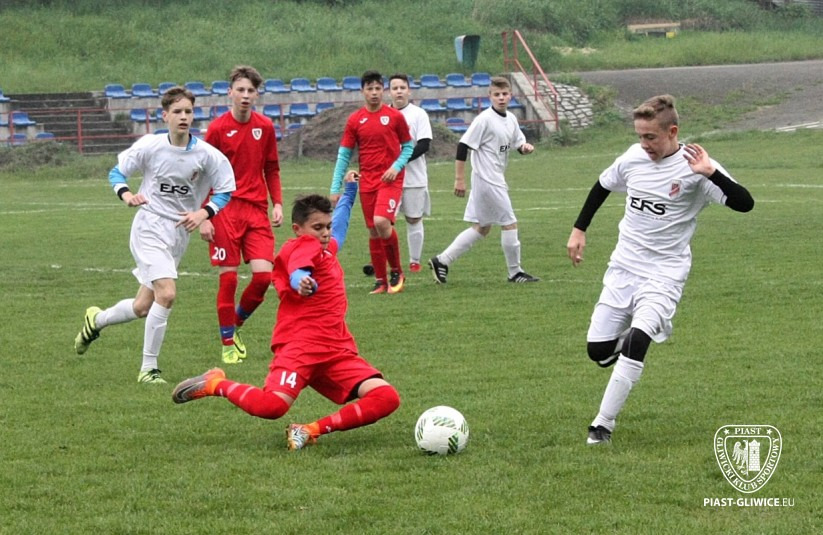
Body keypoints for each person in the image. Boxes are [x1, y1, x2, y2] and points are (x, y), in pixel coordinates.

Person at [566, 94, 754, 445]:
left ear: (673, 131)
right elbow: (602, 186)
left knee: (638, 339)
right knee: (598, 351)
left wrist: (711, 173)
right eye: (640, 136)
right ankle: (628, 343)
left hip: (665, 273)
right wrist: (579, 229)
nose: (644, 144)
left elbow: (745, 204)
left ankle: (602, 425)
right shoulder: (633, 158)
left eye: (650, 137)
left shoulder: (696, 167)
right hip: (623, 267)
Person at [172, 174, 401, 450]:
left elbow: (340, 227)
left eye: (326, 227)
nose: (325, 233)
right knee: (271, 407)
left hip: (335, 349)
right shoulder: (303, 246)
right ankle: (215, 384)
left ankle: (309, 430)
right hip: (300, 347)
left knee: (386, 397)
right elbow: (297, 269)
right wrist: (300, 281)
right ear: (297, 229)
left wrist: (350, 192)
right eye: (318, 227)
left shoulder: (326, 247)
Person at [73, 86, 235, 384]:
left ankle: (96, 320)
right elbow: (116, 173)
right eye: (177, 111)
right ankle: (149, 369)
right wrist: (127, 195)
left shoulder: (207, 155)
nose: (183, 117)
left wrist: (203, 213)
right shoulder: (151, 146)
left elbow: (225, 190)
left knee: (142, 306)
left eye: (188, 111)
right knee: (167, 293)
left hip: (178, 234)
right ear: (165, 116)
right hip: (149, 227)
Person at [202, 65, 283, 365]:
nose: (245, 95)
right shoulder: (217, 129)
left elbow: (271, 168)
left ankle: (233, 325)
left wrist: (277, 203)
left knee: (263, 277)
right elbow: (204, 175)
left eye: (251, 91)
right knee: (229, 278)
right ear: (230, 93)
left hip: (256, 210)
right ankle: (227, 345)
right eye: (240, 90)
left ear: (257, 95)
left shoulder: (266, 127)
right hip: (224, 208)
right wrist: (204, 215)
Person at [428, 76, 538, 284]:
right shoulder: (484, 120)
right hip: (487, 180)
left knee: (482, 227)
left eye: (504, 94)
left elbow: (518, 144)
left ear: (510, 95)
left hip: (493, 178)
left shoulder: (511, 119)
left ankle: (442, 260)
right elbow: (463, 146)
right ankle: (515, 272)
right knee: (510, 223)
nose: (501, 98)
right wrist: (459, 179)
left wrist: (525, 148)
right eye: (497, 94)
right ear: (490, 96)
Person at [330, 70, 414, 294]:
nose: (374, 93)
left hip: (390, 180)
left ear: (383, 90)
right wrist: (335, 187)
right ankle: (380, 280)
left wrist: (395, 167)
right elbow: (344, 155)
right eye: (370, 89)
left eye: (378, 88)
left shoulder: (394, 117)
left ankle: (396, 272)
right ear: (363, 91)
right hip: (367, 181)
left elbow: (408, 147)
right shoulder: (355, 120)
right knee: (374, 231)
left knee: (381, 221)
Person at [389, 73, 433, 273]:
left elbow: (424, 144)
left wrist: (399, 162)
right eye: (395, 88)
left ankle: (414, 261)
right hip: (388, 179)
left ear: (408, 91)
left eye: (402, 88)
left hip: (414, 177)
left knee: (413, 219)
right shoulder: (382, 114)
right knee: (384, 221)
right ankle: (387, 261)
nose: (399, 91)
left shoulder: (418, 114)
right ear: (389, 92)